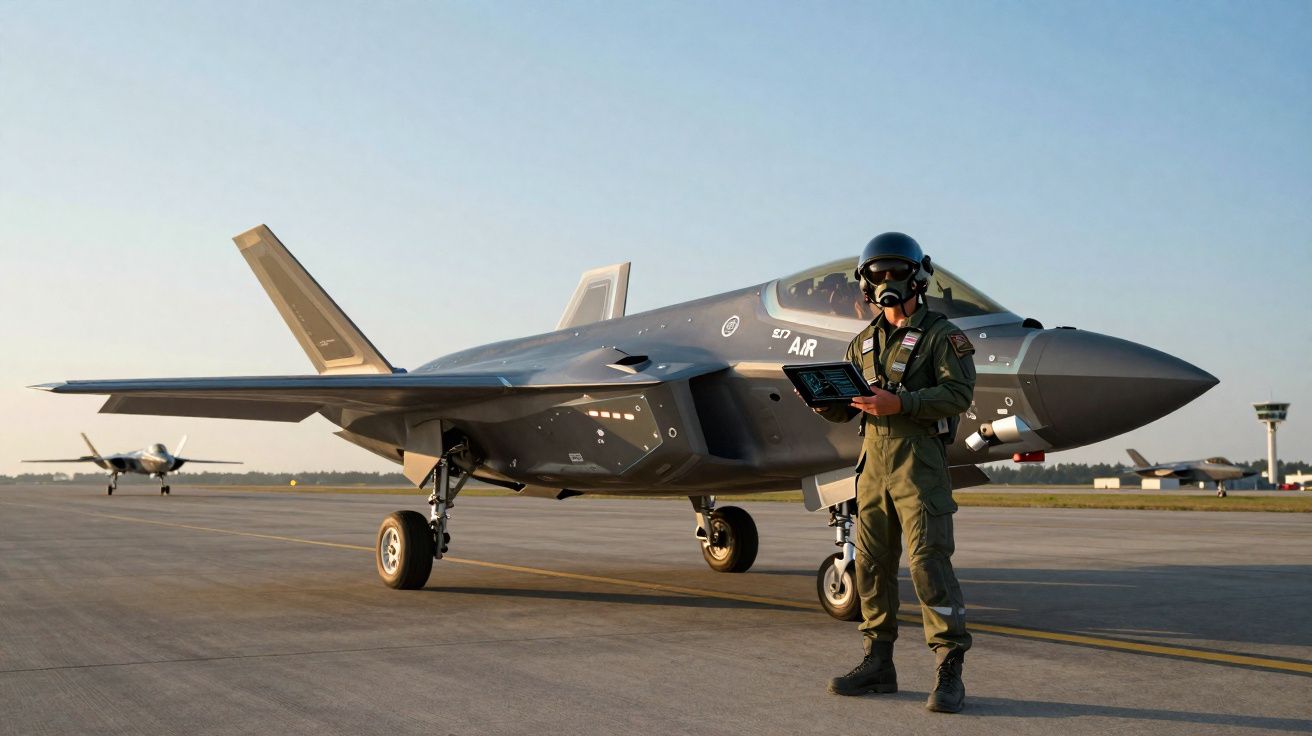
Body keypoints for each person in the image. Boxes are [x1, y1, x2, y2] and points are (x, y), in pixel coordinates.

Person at [813, 232, 977, 713]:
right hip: (872, 467)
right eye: (878, 274)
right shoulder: (861, 343)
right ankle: (878, 663)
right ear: (866, 283)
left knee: (928, 564)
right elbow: (850, 408)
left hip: (919, 464)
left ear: (917, 277)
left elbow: (958, 394)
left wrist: (901, 403)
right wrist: (824, 402)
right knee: (871, 565)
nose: (888, 281)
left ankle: (949, 668)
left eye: (897, 272)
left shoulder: (942, 336)